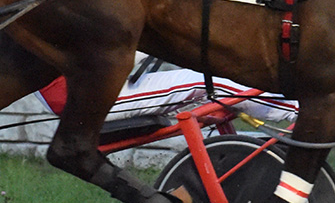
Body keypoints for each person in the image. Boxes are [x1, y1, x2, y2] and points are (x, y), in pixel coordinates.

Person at [36, 55, 298, 125]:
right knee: (209, 82)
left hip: (97, 84)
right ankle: (298, 111)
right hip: (87, 96)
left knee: (209, 79)